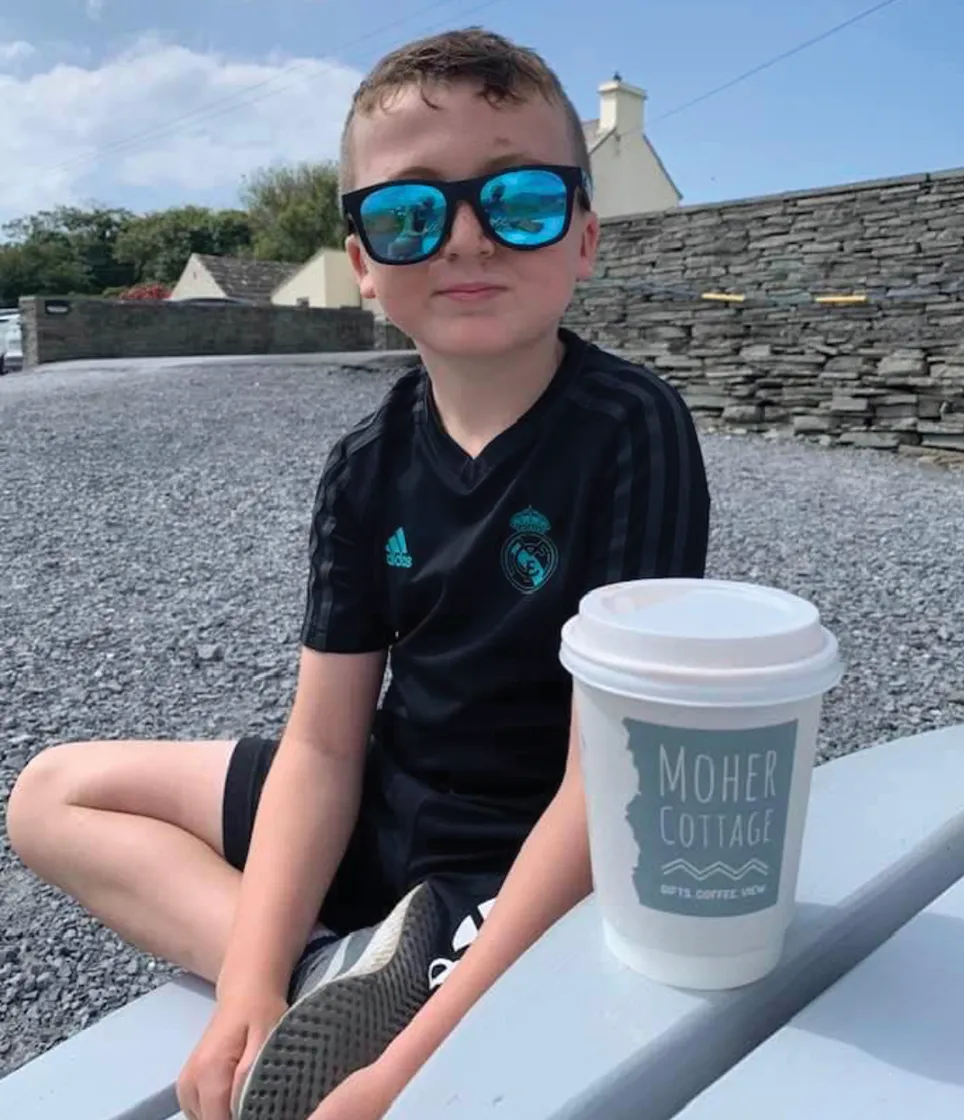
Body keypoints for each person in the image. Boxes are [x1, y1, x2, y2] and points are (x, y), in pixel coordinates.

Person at [6, 26, 711, 1120]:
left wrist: (409, 1060)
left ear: (582, 236)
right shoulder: (363, 465)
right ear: (367, 266)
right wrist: (246, 988)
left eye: (517, 200)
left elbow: (603, 780)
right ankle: (326, 977)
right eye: (409, 213)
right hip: (388, 812)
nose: (466, 239)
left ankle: (410, 980)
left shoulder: (629, 428)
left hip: (526, 862)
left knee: (455, 956)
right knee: (52, 791)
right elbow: (325, 743)